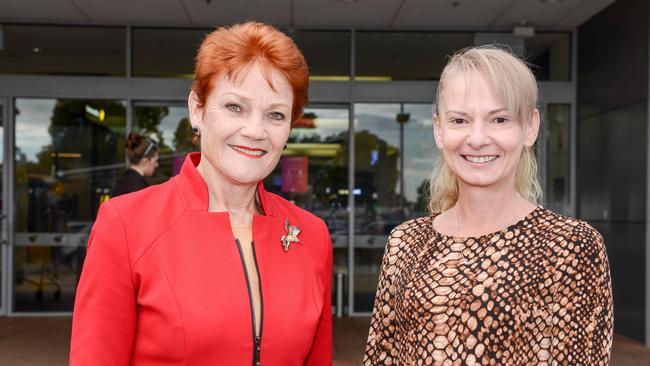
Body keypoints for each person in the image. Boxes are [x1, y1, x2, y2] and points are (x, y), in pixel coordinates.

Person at [71, 22, 333, 365]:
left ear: (288, 129)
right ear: (197, 109)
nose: (255, 131)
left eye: (276, 114)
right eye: (235, 107)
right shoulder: (125, 225)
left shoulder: (311, 236)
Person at [363, 46, 613, 365]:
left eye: (499, 119)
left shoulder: (570, 245)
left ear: (530, 127)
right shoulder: (405, 243)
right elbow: (381, 358)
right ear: (439, 129)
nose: (477, 138)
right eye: (460, 120)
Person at [112, 132, 159, 197]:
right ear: (145, 161)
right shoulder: (139, 187)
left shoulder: (123, 182)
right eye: (155, 161)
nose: (157, 165)